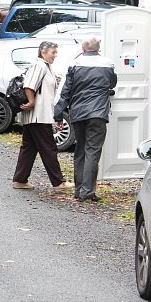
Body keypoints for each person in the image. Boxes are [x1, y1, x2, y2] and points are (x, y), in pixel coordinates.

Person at [54, 37, 117, 202]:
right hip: (98, 114)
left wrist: (58, 115)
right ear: (98, 48)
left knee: (80, 150)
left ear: (83, 48)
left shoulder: (75, 64)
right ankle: (88, 191)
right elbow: (112, 83)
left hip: (78, 113)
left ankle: (78, 189)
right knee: (93, 151)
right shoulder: (107, 64)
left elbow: (65, 91)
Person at [12, 41, 73, 191]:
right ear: (43, 52)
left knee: (29, 148)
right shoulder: (39, 65)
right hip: (39, 116)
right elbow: (28, 85)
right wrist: (32, 101)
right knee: (48, 148)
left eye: (55, 52)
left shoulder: (45, 66)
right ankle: (58, 182)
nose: (55, 55)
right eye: (53, 52)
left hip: (36, 116)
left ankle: (20, 179)